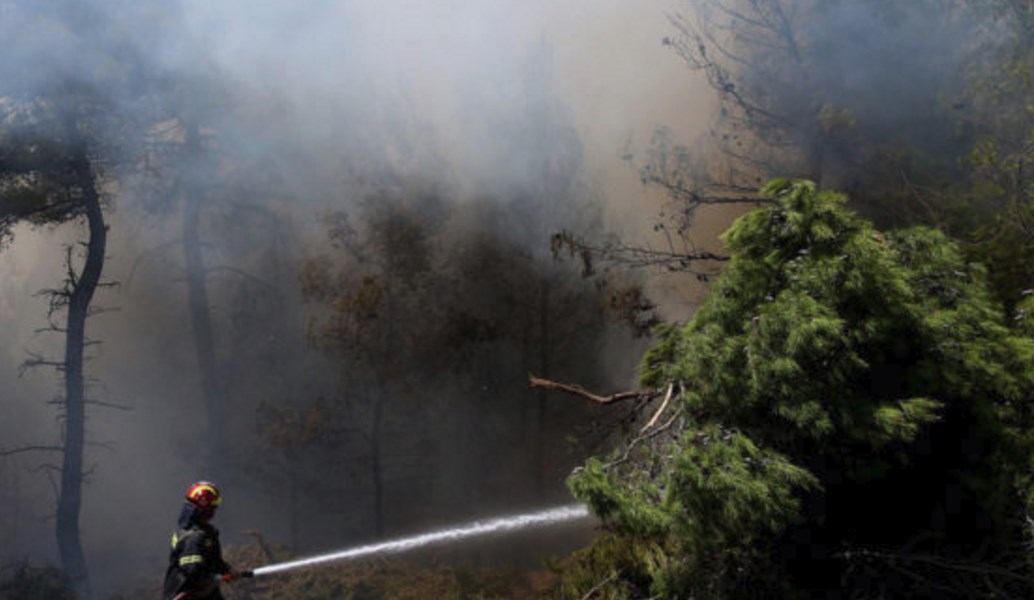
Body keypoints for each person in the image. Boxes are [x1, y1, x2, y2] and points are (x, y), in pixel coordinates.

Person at [163, 481, 250, 600]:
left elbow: (213, 561)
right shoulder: (192, 537)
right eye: (212, 507)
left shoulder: (205, 533)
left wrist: (228, 570)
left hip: (206, 593)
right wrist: (219, 576)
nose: (214, 511)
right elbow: (193, 573)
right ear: (203, 507)